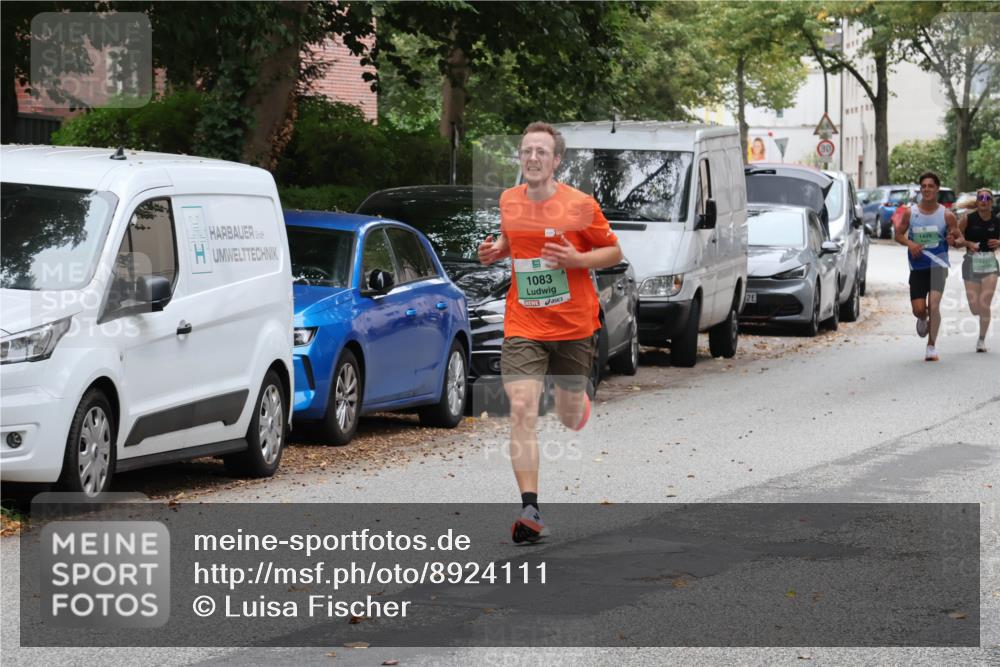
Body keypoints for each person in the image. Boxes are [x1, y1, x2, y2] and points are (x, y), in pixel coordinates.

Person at [478, 121, 623, 543]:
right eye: (527, 151)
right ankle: (530, 508)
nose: (533, 157)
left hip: (574, 325)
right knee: (522, 407)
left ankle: (576, 403)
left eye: (541, 151)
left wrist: (577, 260)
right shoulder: (509, 200)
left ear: (556, 160)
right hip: (524, 322)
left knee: (569, 415)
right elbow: (512, 241)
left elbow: (613, 251)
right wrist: (495, 251)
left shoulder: (579, 205)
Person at [894, 171, 963, 361]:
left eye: (930, 186)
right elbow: (898, 235)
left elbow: (959, 238)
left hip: (938, 266)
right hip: (917, 267)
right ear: (920, 189)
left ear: (937, 189)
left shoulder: (946, 215)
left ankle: (931, 346)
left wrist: (954, 240)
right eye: (923, 186)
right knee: (919, 309)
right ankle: (922, 318)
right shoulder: (911, 212)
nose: (927, 189)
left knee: (934, 305)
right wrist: (910, 243)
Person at [957, 188, 999, 352]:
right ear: (977, 201)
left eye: (987, 198)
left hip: (990, 264)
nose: (984, 200)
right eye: (981, 198)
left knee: (984, 304)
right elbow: (956, 237)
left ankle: (981, 340)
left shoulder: (997, 220)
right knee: (975, 308)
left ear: (991, 202)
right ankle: (980, 314)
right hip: (971, 263)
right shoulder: (968, 218)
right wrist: (968, 244)